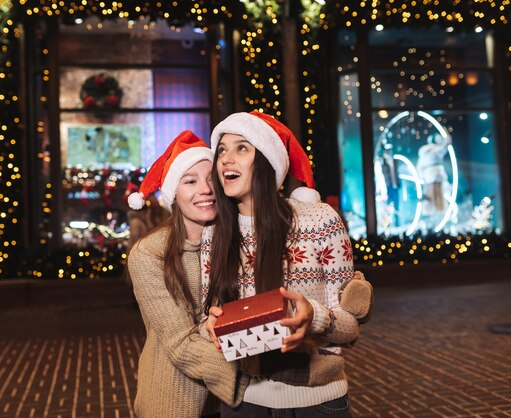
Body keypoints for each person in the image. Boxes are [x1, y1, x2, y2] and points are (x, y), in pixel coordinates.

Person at [202, 111, 362, 417]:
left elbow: (351, 327)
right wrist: (210, 324)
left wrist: (313, 317)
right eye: (221, 150)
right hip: (244, 405)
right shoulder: (215, 234)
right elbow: (203, 317)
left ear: (266, 160)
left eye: (242, 148)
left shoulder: (319, 221)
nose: (226, 159)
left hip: (318, 403)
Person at [125, 130, 249, 418]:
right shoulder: (149, 253)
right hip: (175, 398)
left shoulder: (234, 242)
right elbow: (180, 343)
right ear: (174, 194)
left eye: (211, 180)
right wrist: (249, 380)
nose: (205, 190)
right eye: (190, 181)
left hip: (232, 408)